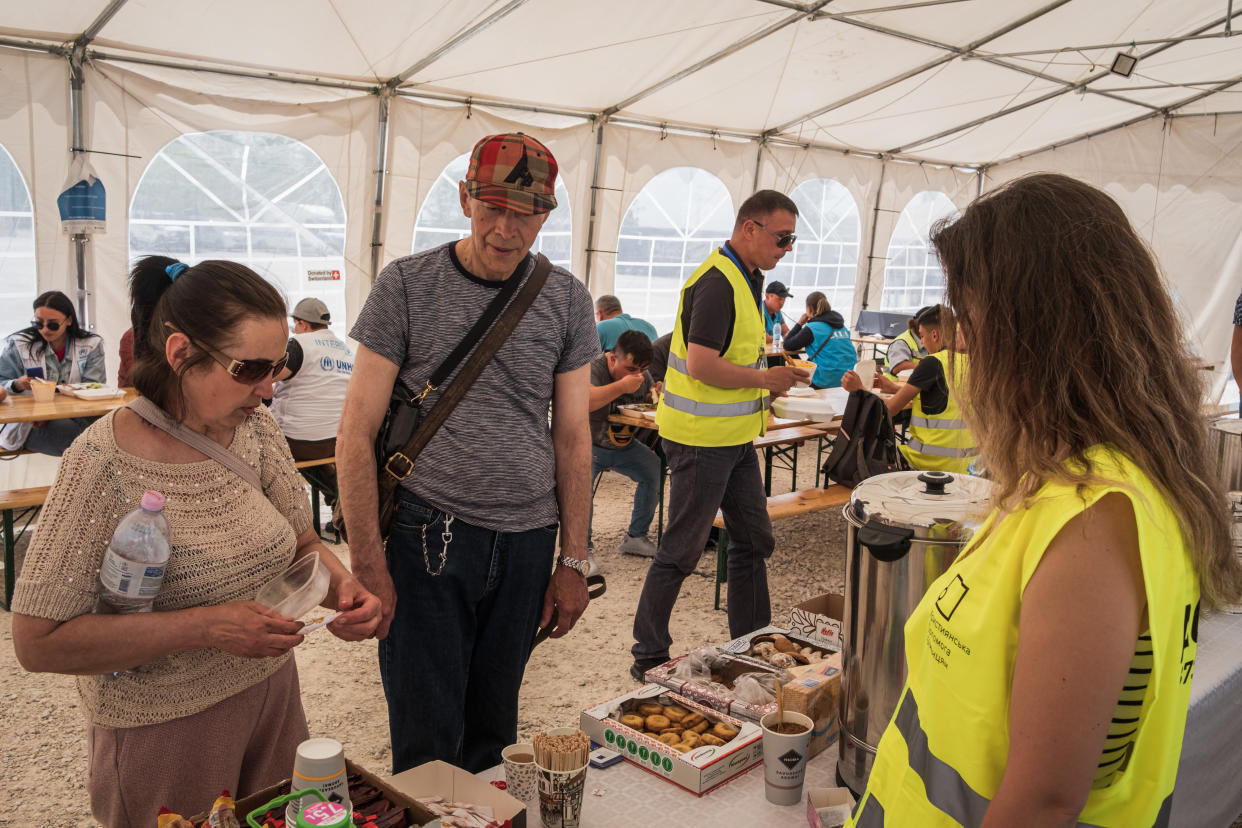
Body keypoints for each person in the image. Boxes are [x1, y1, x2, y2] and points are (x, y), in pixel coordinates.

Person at [848, 173, 1242, 827]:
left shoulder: (1094, 522)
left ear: (1038, 334)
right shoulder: (1065, 483)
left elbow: (1043, 802)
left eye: (969, 324)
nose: (962, 350)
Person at [9, 256, 381, 824]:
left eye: (278, 367)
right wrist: (208, 627)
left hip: (273, 701)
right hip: (162, 729)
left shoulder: (255, 429)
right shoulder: (101, 466)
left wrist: (345, 589)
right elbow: (39, 643)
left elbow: (303, 544)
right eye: (249, 369)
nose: (268, 389)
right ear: (181, 353)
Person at [337, 132, 597, 775]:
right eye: (492, 209)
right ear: (464, 199)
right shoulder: (405, 285)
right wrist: (367, 558)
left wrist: (573, 558)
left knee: (494, 733)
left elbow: (572, 435)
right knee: (426, 734)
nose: (507, 230)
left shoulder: (565, 298)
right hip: (428, 533)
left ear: (546, 215)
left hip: (529, 540)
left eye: (526, 214)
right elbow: (355, 431)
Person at [630, 190, 809, 681]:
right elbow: (704, 364)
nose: (786, 248)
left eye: (792, 239)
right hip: (699, 440)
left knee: (753, 538)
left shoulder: (749, 278)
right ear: (749, 228)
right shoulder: (717, 282)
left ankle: (751, 641)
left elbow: (732, 356)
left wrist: (767, 385)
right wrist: (763, 381)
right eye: (782, 237)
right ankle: (648, 651)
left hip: (732, 438)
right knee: (684, 547)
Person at [843, 303, 976, 473]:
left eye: (922, 336)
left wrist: (859, 388)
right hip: (969, 464)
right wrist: (895, 389)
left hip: (930, 461)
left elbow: (889, 410)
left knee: (860, 464)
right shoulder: (973, 362)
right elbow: (944, 399)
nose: (922, 341)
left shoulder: (932, 362)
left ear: (934, 335)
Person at [0, 290, 105, 455]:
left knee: (108, 434)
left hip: (79, 417)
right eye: (38, 323)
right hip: (29, 424)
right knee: (90, 445)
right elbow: (1, 383)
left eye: (53, 324)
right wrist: (16, 384)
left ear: (69, 320)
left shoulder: (91, 344)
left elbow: (94, 387)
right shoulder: (19, 345)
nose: (45, 329)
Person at [589, 329, 660, 559]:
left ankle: (635, 537)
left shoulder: (641, 376)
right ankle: (581, 549)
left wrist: (655, 396)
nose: (637, 375)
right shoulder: (595, 368)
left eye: (643, 370)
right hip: (588, 445)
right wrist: (621, 387)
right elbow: (585, 401)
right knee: (578, 489)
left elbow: (648, 403)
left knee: (654, 470)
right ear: (612, 358)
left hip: (624, 446)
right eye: (630, 369)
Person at [270, 297, 354, 464]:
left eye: (295, 325)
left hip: (296, 443)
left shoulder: (298, 344)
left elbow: (266, 376)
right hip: (337, 442)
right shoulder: (346, 350)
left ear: (303, 324)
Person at [784, 290, 856, 388]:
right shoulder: (841, 326)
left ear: (809, 308)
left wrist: (799, 323)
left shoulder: (813, 328)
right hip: (849, 379)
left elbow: (788, 345)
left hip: (825, 380)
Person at [882, 304, 930, 379]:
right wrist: (930, 368)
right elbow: (897, 367)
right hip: (893, 386)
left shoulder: (929, 341)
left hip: (912, 386)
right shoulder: (901, 342)